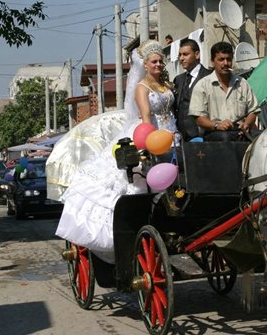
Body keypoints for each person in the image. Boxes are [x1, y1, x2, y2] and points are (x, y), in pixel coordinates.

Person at [55, 40, 178, 263]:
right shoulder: (142, 88)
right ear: (146, 65)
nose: (158, 64)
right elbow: (146, 117)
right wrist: (151, 144)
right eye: (154, 61)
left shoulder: (167, 87)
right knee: (136, 183)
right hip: (150, 134)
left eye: (161, 60)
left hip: (172, 135)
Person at [189, 41, 259, 141]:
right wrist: (217, 125)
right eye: (221, 59)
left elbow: (254, 111)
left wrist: (247, 124)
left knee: (265, 137)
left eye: (228, 59)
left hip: (240, 132)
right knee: (225, 137)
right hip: (214, 133)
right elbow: (199, 119)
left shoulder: (242, 83)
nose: (226, 63)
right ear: (212, 61)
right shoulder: (202, 85)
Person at [173, 39, 212, 141]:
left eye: (185, 54)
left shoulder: (209, 77)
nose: (181, 58)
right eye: (180, 55)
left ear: (197, 54)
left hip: (203, 136)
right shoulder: (178, 79)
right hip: (181, 137)